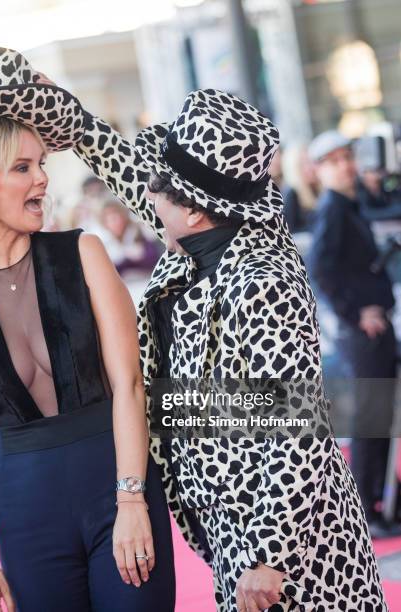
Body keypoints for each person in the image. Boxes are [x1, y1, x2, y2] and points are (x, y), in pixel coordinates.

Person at [25, 55, 389, 609]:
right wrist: (72, 118)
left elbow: (297, 434)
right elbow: (133, 172)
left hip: (297, 556)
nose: (145, 196)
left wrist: (268, 557)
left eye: (159, 189)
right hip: (232, 533)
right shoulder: (216, 234)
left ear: (195, 212)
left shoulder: (260, 282)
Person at [0, 47, 175, 612]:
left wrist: (132, 498)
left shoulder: (84, 253)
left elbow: (128, 386)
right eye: (23, 168)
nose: (42, 180)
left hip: (119, 491)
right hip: (26, 516)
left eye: (42, 165)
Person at [308, 130, 400, 539]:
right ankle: (367, 507)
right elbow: (322, 272)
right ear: (319, 170)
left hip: (375, 325)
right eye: (334, 160)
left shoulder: (352, 201)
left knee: (381, 418)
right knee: (371, 419)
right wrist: (355, 313)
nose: (345, 165)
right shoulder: (332, 208)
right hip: (360, 332)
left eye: (348, 156)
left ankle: (383, 500)